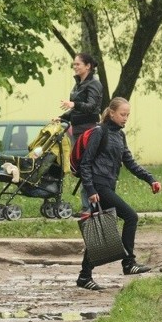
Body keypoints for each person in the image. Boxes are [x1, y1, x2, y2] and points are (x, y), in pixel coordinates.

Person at [77, 97, 162, 290]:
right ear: (112, 113)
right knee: (131, 217)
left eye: (128, 115)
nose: (125, 118)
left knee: (102, 230)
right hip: (98, 187)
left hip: (107, 185)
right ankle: (128, 263)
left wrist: (151, 179)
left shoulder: (119, 135)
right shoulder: (100, 132)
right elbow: (86, 163)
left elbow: (129, 162)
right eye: (123, 114)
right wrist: (90, 189)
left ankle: (84, 276)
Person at [55, 52, 103, 216]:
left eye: (78, 64)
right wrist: (61, 117)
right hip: (77, 129)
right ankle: (87, 206)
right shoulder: (78, 84)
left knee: (86, 166)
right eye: (74, 64)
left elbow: (91, 107)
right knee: (81, 167)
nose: (75, 67)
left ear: (88, 66)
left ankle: (89, 207)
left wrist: (73, 103)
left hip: (88, 129)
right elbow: (75, 110)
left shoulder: (94, 84)